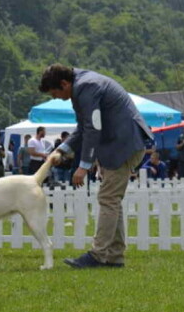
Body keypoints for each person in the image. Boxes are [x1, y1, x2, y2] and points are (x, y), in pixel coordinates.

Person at [40, 64, 153, 268]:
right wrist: (62, 149)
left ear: (64, 83)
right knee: (112, 200)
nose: (55, 97)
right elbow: (83, 128)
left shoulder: (86, 87)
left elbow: (93, 128)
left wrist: (84, 166)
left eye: (56, 92)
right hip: (122, 144)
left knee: (108, 199)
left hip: (123, 145)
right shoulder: (81, 85)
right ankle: (114, 256)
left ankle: (98, 255)